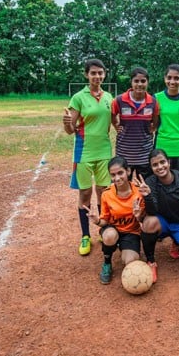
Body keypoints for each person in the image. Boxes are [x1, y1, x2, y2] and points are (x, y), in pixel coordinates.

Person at [63, 58, 113, 256]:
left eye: (100, 73)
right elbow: (70, 130)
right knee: (84, 194)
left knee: (103, 192)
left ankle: (102, 229)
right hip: (84, 151)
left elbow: (114, 123)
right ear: (86, 75)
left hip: (104, 151)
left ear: (104, 74)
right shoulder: (78, 97)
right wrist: (67, 122)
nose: (97, 76)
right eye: (93, 73)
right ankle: (85, 236)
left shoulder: (109, 96)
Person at [136, 148, 179, 282]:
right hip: (162, 222)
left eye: (162, 162)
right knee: (149, 223)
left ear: (169, 162)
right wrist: (148, 196)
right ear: (151, 167)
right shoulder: (150, 182)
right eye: (155, 165)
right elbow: (152, 211)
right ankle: (151, 262)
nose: (160, 167)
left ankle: (176, 240)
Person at [86, 156, 145, 284]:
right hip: (114, 230)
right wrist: (96, 220)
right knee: (109, 236)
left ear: (128, 171)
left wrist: (138, 215)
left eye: (120, 173)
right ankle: (107, 262)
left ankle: (124, 247)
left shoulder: (139, 192)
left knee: (131, 262)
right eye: (113, 175)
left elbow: (143, 220)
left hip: (131, 233)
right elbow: (105, 222)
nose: (117, 178)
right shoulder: (107, 194)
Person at [112, 67, 159, 179]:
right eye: (136, 81)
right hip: (124, 153)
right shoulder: (120, 100)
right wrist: (116, 125)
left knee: (144, 186)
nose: (139, 84)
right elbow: (112, 114)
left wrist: (152, 129)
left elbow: (155, 121)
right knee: (123, 185)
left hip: (144, 154)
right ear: (131, 82)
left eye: (143, 81)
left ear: (147, 82)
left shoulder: (153, 102)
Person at [154, 64, 179, 173]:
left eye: (176, 78)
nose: (172, 81)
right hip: (163, 146)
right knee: (163, 180)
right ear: (164, 78)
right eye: (169, 77)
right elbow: (155, 122)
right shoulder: (157, 98)